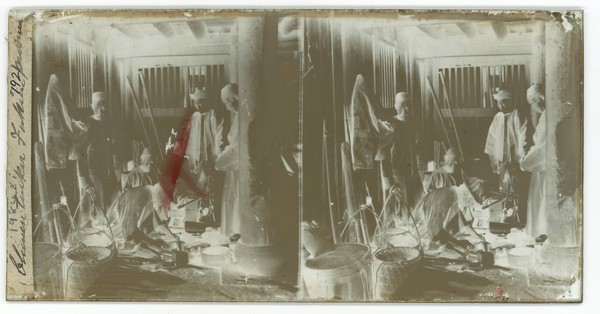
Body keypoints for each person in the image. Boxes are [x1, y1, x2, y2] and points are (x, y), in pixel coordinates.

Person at [484, 89, 530, 224]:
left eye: (504, 102)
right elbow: (492, 140)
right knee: (504, 192)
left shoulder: (518, 114)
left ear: (510, 101)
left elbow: (523, 136)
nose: (501, 106)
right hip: (502, 161)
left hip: (516, 161)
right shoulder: (497, 117)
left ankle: (519, 220)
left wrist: (522, 156)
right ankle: (507, 220)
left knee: (517, 191)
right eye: (499, 103)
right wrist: (494, 160)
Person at [376, 92, 424, 213]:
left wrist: (420, 169)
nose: (406, 109)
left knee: (417, 202)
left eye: (408, 104)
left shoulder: (414, 123)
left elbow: (418, 148)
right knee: (399, 204)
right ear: (396, 106)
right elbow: (382, 152)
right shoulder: (389, 125)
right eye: (402, 105)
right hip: (395, 170)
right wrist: (386, 176)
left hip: (412, 169)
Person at [77, 92, 122, 210]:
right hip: (93, 172)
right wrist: (83, 179)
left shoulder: (112, 123)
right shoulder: (86, 125)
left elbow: (116, 149)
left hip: (111, 170)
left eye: (104, 104)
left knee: (114, 206)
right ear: (92, 106)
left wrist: (118, 171)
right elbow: (80, 155)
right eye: (98, 105)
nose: (102, 109)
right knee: (98, 207)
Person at [107, 183, 180, 251]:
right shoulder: (140, 197)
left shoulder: (149, 193)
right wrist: (153, 242)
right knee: (139, 248)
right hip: (113, 234)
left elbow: (157, 222)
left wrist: (171, 237)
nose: (168, 206)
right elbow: (129, 232)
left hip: (126, 228)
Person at [520, 84, 547, 237]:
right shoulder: (544, 116)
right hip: (539, 167)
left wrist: (525, 163)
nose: (533, 108)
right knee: (538, 202)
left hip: (543, 168)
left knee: (542, 203)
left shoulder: (546, 117)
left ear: (539, 99)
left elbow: (542, 149)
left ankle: (542, 235)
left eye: (533, 104)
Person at [215, 84, 240, 237]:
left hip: (239, 167)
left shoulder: (243, 116)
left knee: (237, 201)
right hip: (233, 167)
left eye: (226, 102)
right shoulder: (238, 116)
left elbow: (237, 149)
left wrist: (220, 162)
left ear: (235, 98)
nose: (226, 106)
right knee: (232, 199)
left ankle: (237, 234)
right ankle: (234, 233)